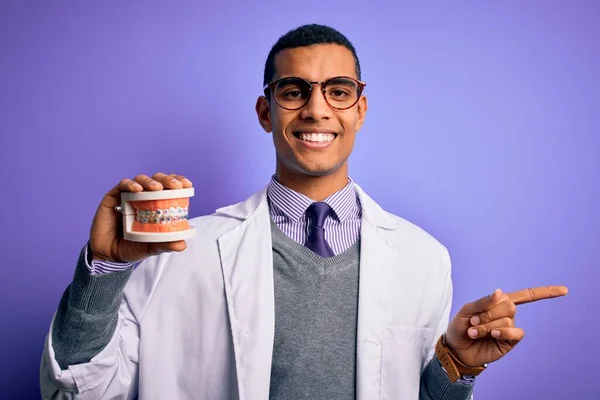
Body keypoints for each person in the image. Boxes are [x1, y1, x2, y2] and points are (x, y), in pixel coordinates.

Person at [40, 24, 567, 399]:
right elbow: (80, 393)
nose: (317, 109)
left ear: (359, 110)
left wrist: (456, 366)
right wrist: (102, 271)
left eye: (338, 91)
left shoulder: (423, 257)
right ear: (266, 112)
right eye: (294, 91)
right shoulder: (175, 252)